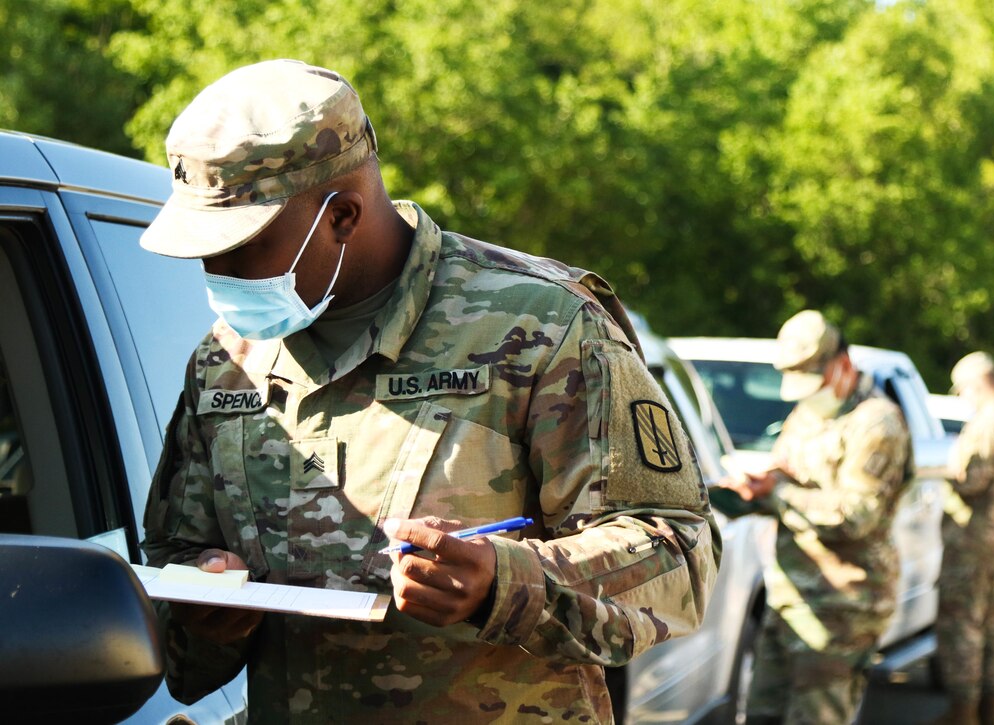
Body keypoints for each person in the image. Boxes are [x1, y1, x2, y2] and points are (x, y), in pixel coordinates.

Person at [138, 59, 719, 723]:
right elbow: (176, 593)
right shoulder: (226, 362)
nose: (217, 272)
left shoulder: (544, 327)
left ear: (343, 216)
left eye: (242, 246)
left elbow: (678, 553)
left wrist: (503, 581)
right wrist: (209, 611)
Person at [720, 309, 912, 724]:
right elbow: (789, 476)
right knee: (762, 715)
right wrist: (751, 492)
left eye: (812, 379)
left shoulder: (876, 423)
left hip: (842, 607)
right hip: (790, 598)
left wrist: (779, 493)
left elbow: (857, 516)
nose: (806, 393)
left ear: (842, 365)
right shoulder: (807, 415)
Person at [932, 352, 994, 725]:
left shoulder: (987, 425)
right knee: (992, 627)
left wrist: (949, 471)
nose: (962, 399)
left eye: (962, 391)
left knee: (963, 627)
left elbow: (971, 480)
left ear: (976, 385)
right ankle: (991, 710)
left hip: (973, 546)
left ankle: (963, 712)